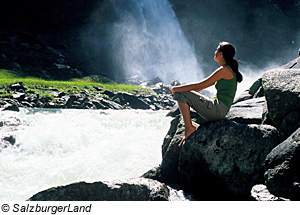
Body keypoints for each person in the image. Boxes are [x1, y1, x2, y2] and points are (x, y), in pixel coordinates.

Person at [170, 41, 243, 147]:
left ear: (221, 54)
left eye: (217, 50)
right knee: (182, 93)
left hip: (218, 110)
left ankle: (189, 128)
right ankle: (189, 126)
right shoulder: (227, 69)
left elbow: (199, 85)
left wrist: (176, 89)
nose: (215, 52)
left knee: (180, 94)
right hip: (220, 109)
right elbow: (199, 88)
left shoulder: (224, 70)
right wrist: (186, 94)